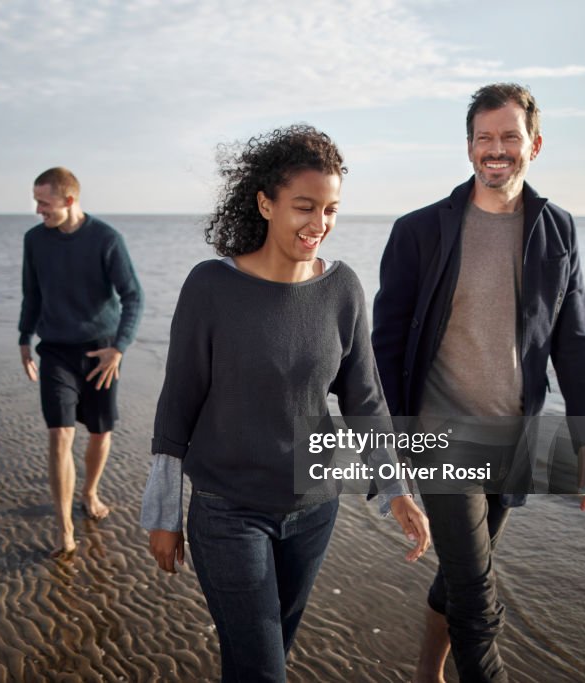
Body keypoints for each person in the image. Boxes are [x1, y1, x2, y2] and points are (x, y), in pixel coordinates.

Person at [142, 125, 431, 682]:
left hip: (314, 510)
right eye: (304, 206)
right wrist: (163, 511)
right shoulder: (210, 287)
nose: (319, 223)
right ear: (265, 203)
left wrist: (397, 489)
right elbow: (177, 401)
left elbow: (365, 398)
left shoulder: (342, 289)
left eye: (331, 209)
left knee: (263, 660)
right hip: (228, 511)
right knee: (264, 671)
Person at [371, 83, 585, 682]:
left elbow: (575, 340)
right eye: (484, 138)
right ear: (469, 146)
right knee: (479, 604)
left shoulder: (557, 230)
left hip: (510, 437)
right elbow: (385, 346)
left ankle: (426, 673)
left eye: (509, 137)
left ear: (535, 144)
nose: (495, 149)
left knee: (461, 573)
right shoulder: (419, 231)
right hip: (439, 435)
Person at [18, 167, 144, 556]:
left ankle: (89, 492)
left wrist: (118, 348)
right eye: (36, 202)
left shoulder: (106, 239)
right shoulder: (35, 240)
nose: (38, 210)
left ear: (69, 200)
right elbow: (32, 294)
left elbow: (133, 296)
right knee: (59, 434)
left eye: (44, 202)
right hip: (56, 351)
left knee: (100, 433)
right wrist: (24, 337)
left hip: (100, 352)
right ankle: (64, 529)